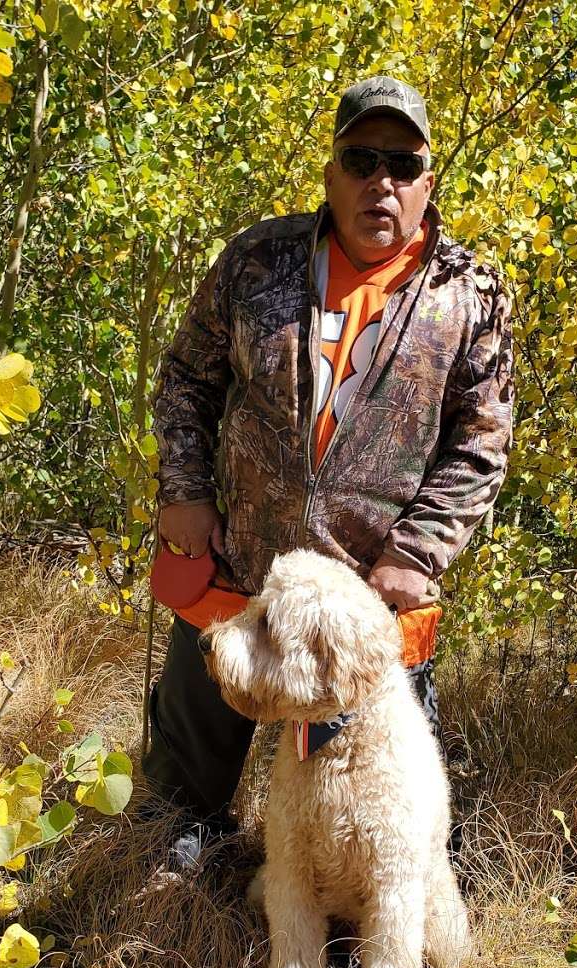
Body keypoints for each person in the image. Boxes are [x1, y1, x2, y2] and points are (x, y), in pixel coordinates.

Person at [143, 75, 513, 868]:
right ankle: (164, 925)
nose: (382, 181)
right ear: (331, 173)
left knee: (375, 837)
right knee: (174, 808)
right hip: (231, 583)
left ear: (428, 182)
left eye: (403, 165)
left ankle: (349, 959)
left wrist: (417, 552)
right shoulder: (257, 260)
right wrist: (185, 489)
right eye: (361, 159)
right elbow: (185, 380)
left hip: (362, 620)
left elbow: (482, 442)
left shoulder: (471, 294)